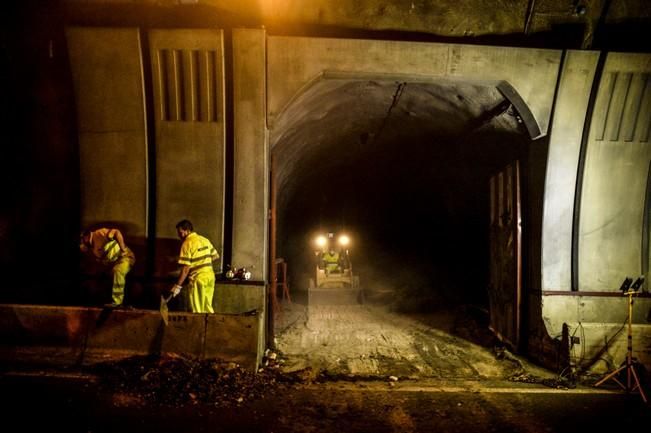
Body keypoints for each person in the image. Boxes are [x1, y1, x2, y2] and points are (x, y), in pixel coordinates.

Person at [171, 220, 219, 313]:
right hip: (210, 277)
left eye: (180, 232)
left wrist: (177, 286)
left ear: (187, 230)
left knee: (197, 310)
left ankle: (199, 327)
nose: (179, 235)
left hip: (198, 279)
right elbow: (215, 256)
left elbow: (185, 269)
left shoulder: (187, 243)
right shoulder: (205, 240)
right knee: (207, 307)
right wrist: (202, 262)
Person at [79, 227, 135, 306]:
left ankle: (117, 302)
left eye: (82, 241)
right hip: (116, 262)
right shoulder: (93, 248)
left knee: (118, 271)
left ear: (86, 237)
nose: (81, 244)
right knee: (107, 277)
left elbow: (116, 232)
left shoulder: (99, 234)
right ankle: (118, 302)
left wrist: (123, 249)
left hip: (125, 257)